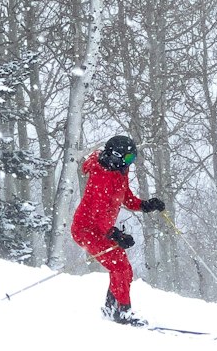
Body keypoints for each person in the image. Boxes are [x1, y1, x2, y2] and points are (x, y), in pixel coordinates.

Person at [70, 134, 164, 325]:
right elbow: (99, 214)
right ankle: (122, 313)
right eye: (128, 159)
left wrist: (145, 205)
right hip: (86, 230)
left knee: (124, 269)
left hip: (101, 228)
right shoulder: (100, 178)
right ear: (114, 156)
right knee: (119, 266)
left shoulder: (119, 170)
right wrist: (116, 234)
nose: (130, 163)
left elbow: (126, 197)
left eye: (132, 158)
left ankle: (111, 308)